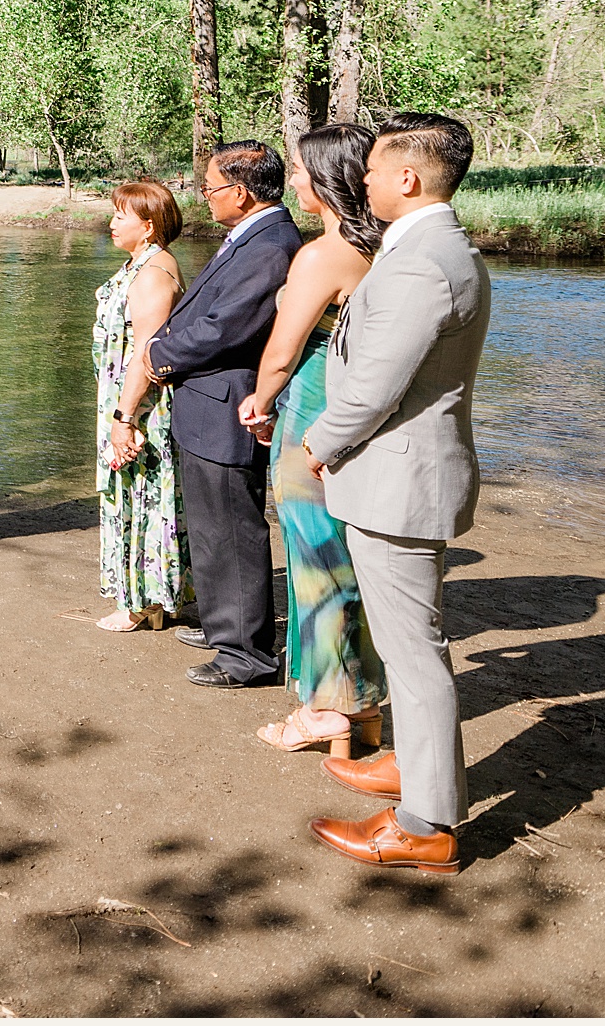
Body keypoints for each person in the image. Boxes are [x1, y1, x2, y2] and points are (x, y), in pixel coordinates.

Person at [299, 112, 491, 876]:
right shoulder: (427, 248)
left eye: (375, 171)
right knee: (410, 642)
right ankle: (412, 764)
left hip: (399, 479)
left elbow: (378, 382)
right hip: (396, 475)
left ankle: (426, 824)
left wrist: (320, 442)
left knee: (415, 653)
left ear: (408, 179)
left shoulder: (421, 262)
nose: (366, 182)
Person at [237, 125, 387, 755]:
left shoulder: (323, 254)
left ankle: (326, 708)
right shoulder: (381, 245)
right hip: (355, 407)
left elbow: (284, 347)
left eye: (300, 169)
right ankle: (364, 703)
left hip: (312, 406)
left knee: (315, 563)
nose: (292, 179)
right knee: (350, 562)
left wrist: (260, 401)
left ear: (327, 177)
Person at [143, 141, 302, 689]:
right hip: (208, 403)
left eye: (209, 188)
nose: (204, 198)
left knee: (232, 529)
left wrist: (160, 354)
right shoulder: (253, 237)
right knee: (212, 526)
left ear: (239, 192)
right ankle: (222, 627)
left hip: (228, 403)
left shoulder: (271, 245)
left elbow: (228, 326)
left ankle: (246, 655)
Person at [89, 178, 190, 632]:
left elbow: (147, 354)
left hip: (139, 406)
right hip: (126, 401)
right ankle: (155, 599)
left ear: (147, 227)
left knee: (135, 496)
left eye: (120, 216)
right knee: (140, 494)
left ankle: (135, 604)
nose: (111, 223)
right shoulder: (145, 264)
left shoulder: (152, 274)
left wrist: (124, 418)